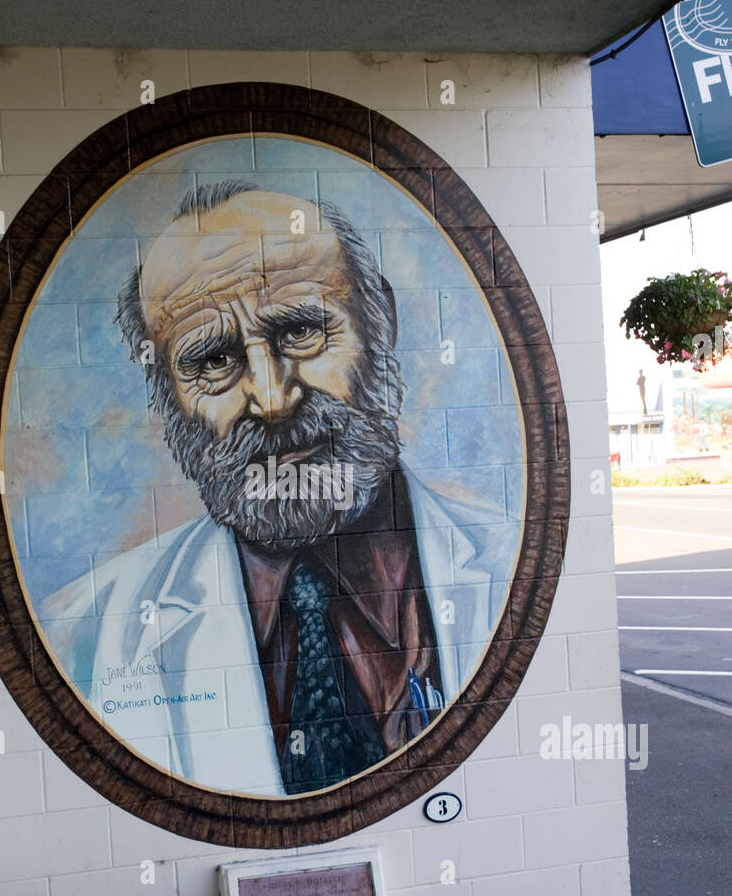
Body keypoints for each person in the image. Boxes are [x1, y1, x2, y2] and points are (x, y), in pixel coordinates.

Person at [44, 182, 518, 796]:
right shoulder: (79, 632)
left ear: (382, 324)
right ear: (165, 395)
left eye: (301, 332)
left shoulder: (514, 566)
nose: (271, 398)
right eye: (212, 362)